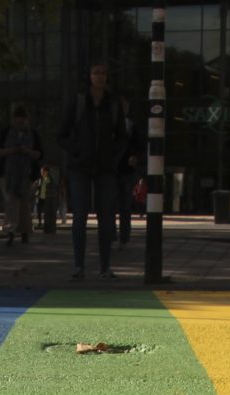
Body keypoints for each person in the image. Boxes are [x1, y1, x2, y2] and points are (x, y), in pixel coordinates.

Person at [56, 62, 131, 280]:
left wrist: (114, 157)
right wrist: (77, 151)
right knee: (80, 215)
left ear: (107, 78)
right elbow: (61, 134)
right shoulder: (79, 102)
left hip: (105, 167)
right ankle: (79, 266)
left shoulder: (113, 104)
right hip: (80, 167)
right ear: (89, 76)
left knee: (106, 217)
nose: (99, 77)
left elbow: (122, 137)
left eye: (103, 73)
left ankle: (105, 266)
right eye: (96, 73)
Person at [0, 105, 42, 247]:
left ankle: (25, 231)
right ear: (14, 120)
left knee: (25, 203)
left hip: (27, 174)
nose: (21, 124)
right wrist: (12, 150)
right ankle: (11, 231)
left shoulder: (33, 134)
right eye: (18, 121)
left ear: (27, 120)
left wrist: (27, 151)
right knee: (10, 203)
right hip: (9, 174)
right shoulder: (6, 133)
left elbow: (39, 154)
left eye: (23, 121)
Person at [115, 113, 145, 245]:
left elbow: (140, 146)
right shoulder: (113, 122)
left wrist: (136, 157)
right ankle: (118, 236)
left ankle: (123, 236)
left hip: (125, 170)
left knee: (124, 205)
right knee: (117, 205)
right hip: (114, 169)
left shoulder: (130, 125)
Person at [35, 165, 57, 234]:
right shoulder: (40, 179)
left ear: (46, 172)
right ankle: (40, 222)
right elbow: (38, 187)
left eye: (42, 171)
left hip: (47, 198)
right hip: (41, 197)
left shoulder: (48, 178)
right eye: (41, 171)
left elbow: (50, 187)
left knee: (48, 212)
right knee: (39, 210)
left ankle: (48, 228)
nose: (41, 172)